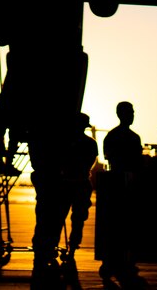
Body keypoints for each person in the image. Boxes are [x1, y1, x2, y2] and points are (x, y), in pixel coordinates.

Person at [30, 110, 97, 289]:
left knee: (60, 218)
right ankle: (71, 249)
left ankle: (56, 249)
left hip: (70, 185)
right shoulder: (89, 144)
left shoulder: (66, 144)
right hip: (79, 184)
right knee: (76, 219)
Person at [100, 101, 143, 285]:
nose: (133, 115)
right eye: (130, 112)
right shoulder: (132, 138)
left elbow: (107, 156)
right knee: (125, 225)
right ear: (122, 114)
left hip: (116, 183)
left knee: (115, 226)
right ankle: (124, 261)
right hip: (123, 184)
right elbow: (137, 161)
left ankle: (112, 262)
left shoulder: (112, 136)